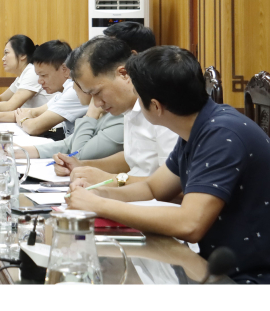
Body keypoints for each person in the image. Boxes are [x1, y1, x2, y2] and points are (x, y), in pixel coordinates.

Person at [66, 46, 270, 284]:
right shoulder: (199, 127)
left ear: (155, 106)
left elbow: (189, 223)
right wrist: (100, 193)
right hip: (217, 266)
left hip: (247, 279)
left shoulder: (222, 135)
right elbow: (154, 187)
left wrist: (99, 205)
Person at [54, 36, 179, 187]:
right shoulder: (128, 105)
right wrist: (82, 165)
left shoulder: (161, 108)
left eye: (98, 92)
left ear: (124, 73)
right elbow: (134, 159)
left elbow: (176, 184)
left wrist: (112, 181)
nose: (97, 104)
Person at [18, 46, 124, 159]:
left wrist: (90, 115)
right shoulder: (103, 110)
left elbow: (78, 156)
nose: (72, 86)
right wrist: (21, 151)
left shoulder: (117, 115)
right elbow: (68, 144)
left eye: (75, 81)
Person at [0, 40, 87, 139]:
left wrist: (23, 120)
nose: (40, 81)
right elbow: (33, 112)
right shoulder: (64, 91)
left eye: (43, 75)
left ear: (64, 69)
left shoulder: (74, 91)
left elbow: (34, 127)